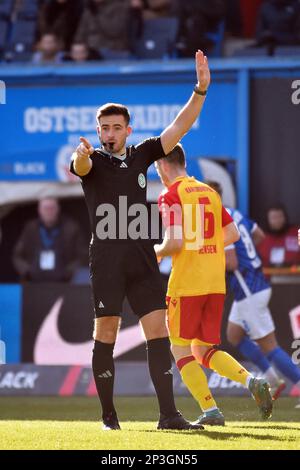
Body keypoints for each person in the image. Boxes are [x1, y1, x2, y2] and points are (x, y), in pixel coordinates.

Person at [70, 50, 210, 431]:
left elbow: (179, 129)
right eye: (105, 128)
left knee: (158, 331)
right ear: (98, 132)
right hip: (107, 259)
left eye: (116, 127)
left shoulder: (143, 154)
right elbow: (79, 165)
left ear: (127, 130)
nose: (110, 133)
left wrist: (200, 90)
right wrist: (81, 154)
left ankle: (169, 416)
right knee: (107, 332)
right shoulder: (91, 162)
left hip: (143, 257)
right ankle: (109, 418)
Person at [153, 148, 273, 426]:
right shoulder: (208, 192)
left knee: (180, 349)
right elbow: (231, 234)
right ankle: (251, 380)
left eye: (157, 166)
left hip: (186, 284)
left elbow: (174, 242)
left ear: (163, 165)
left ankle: (211, 411)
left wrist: (154, 252)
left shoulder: (170, 195)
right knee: (202, 350)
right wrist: (204, 246)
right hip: (215, 283)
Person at [207, 181, 300, 403]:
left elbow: (230, 263)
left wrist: (206, 258)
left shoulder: (218, 218)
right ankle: (272, 379)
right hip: (254, 284)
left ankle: (297, 379)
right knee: (234, 335)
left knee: (269, 344)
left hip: (249, 289)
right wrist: (251, 259)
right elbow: (258, 235)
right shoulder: (234, 213)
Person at [13, 198, 85, 283]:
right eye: (46, 208)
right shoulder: (30, 228)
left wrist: (68, 272)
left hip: (64, 282)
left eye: (51, 208)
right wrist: (28, 271)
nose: (49, 212)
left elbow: (82, 256)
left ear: (58, 209)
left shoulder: (71, 228)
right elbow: (17, 255)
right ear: (39, 210)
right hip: (34, 281)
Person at [257, 203, 300, 268]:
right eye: (274, 217)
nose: (277, 220)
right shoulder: (260, 238)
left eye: (280, 216)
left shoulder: (296, 233)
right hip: (268, 276)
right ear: (267, 219)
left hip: (294, 276)